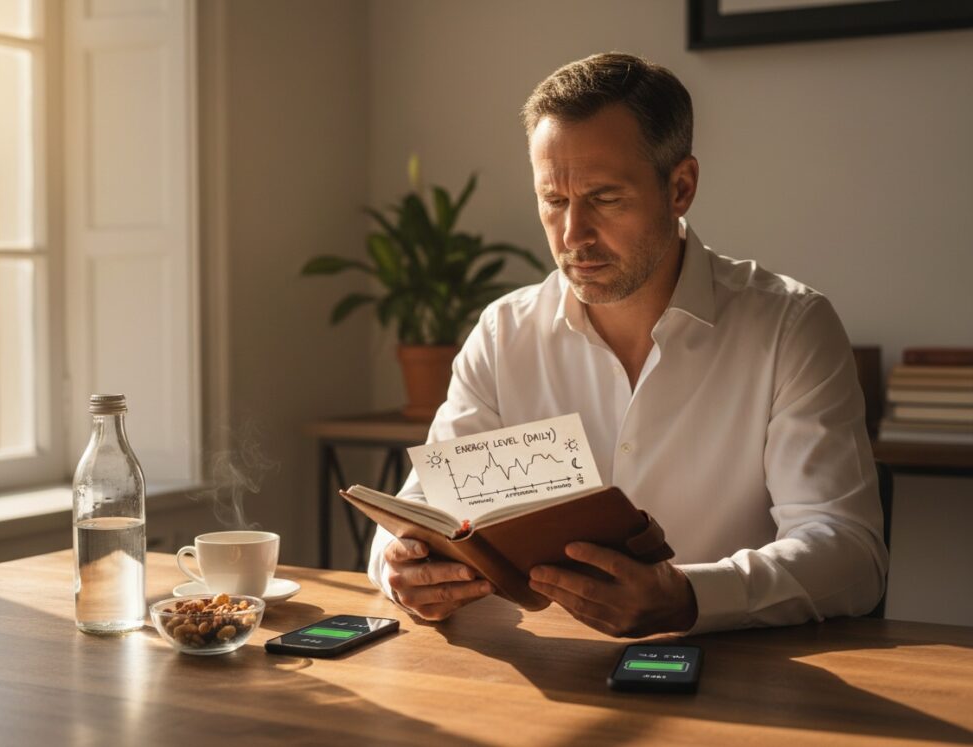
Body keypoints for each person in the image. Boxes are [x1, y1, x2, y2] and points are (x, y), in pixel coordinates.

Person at [367, 52, 888, 636]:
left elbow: (850, 553)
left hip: (740, 681)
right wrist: (401, 571)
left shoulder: (790, 328)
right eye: (555, 201)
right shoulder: (502, 333)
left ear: (681, 187)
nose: (573, 236)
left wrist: (690, 597)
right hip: (541, 683)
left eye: (605, 199)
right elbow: (415, 519)